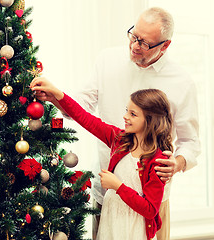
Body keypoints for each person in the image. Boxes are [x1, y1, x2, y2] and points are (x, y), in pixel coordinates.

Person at [35, 7, 200, 240]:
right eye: (134, 36)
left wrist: (178, 162)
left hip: (148, 209)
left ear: (165, 45)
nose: (135, 45)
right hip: (108, 199)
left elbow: (191, 142)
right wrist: (57, 95)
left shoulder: (182, 82)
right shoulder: (107, 63)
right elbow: (85, 114)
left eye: (145, 43)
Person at [31, 77, 172, 239]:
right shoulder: (119, 139)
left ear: (150, 121)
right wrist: (57, 94)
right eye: (127, 110)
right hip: (111, 219)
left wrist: (118, 186)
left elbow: (150, 209)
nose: (125, 116)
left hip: (133, 228)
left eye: (133, 114)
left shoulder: (158, 161)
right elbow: (85, 118)